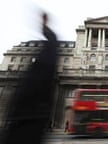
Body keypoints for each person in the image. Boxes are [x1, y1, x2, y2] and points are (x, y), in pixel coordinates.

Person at [2, 12, 58, 144]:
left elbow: (51, 48)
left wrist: (45, 28)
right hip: (28, 121)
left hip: (24, 122)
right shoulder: (42, 72)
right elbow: (51, 48)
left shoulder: (37, 73)